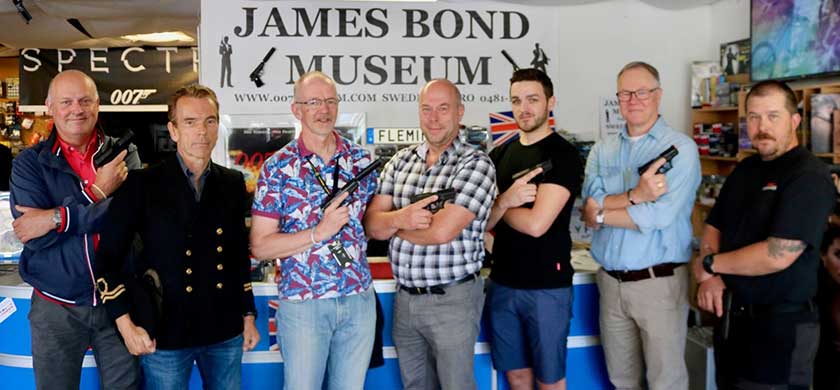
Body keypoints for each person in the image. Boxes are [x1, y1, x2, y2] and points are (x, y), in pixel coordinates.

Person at [93, 84, 259, 389]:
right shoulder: (141, 184)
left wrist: (248, 313)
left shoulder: (233, 183)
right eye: (190, 122)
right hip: (164, 331)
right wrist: (125, 324)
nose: (202, 132)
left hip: (224, 328)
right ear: (173, 130)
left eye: (210, 121)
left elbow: (237, 257)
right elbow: (106, 259)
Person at [693, 79, 835, 389]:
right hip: (734, 321)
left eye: (773, 116)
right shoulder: (746, 169)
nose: (762, 126)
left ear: (794, 120)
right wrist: (711, 277)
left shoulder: (809, 176)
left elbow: (778, 254)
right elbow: (714, 225)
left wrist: (709, 265)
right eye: (754, 117)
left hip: (780, 329)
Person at [9, 69, 141, 389]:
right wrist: (95, 194)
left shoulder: (124, 153)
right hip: (56, 307)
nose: (76, 109)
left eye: (84, 100)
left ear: (97, 105)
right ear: (49, 108)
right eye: (66, 102)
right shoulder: (29, 163)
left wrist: (53, 218)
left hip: (118, 304)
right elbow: (35, 239)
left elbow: (127, 217)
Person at [364, 79, 496, 390]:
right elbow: (371, 226)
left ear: (459, 112)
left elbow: (441, 232)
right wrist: (404, 217)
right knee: (415, 386)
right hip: (406, 300)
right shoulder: (400, 161)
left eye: (443, 108)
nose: (433, 117)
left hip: (452, 299)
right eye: (426, 109)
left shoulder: (476, 164)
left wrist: (393, 225)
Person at [250, 71, 377, 390]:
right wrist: (317, 234)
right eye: (314, 102)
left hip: (358, 299)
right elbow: (261, 246)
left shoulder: (361, 160)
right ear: (297, 110)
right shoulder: (277, 168)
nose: (324, 109)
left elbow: (373, 225)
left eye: (330, 101)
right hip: (304, 305)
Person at [581, 61, 700, 390]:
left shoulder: (681, 149)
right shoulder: (602, 150)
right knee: (622, 381)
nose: (633, 99)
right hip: (610, 285)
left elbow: (657, 217)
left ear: (658, 95)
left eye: (642, 92)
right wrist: (636, 195)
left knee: (666, 382)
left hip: (658, 284)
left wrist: (604, 212)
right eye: (625, 93)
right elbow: (588, 202)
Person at [484, 68, 582, 390]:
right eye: (516, 100)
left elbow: (537, 224)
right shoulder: (499, 155)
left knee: (549, 380)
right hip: (502, 284)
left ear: (550, 102)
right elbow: (479, 225)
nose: (523, 108)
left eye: (532, 99)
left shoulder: (563, 155)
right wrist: (505, 201)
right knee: (516, 377)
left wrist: (500, 205)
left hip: (546, 287)